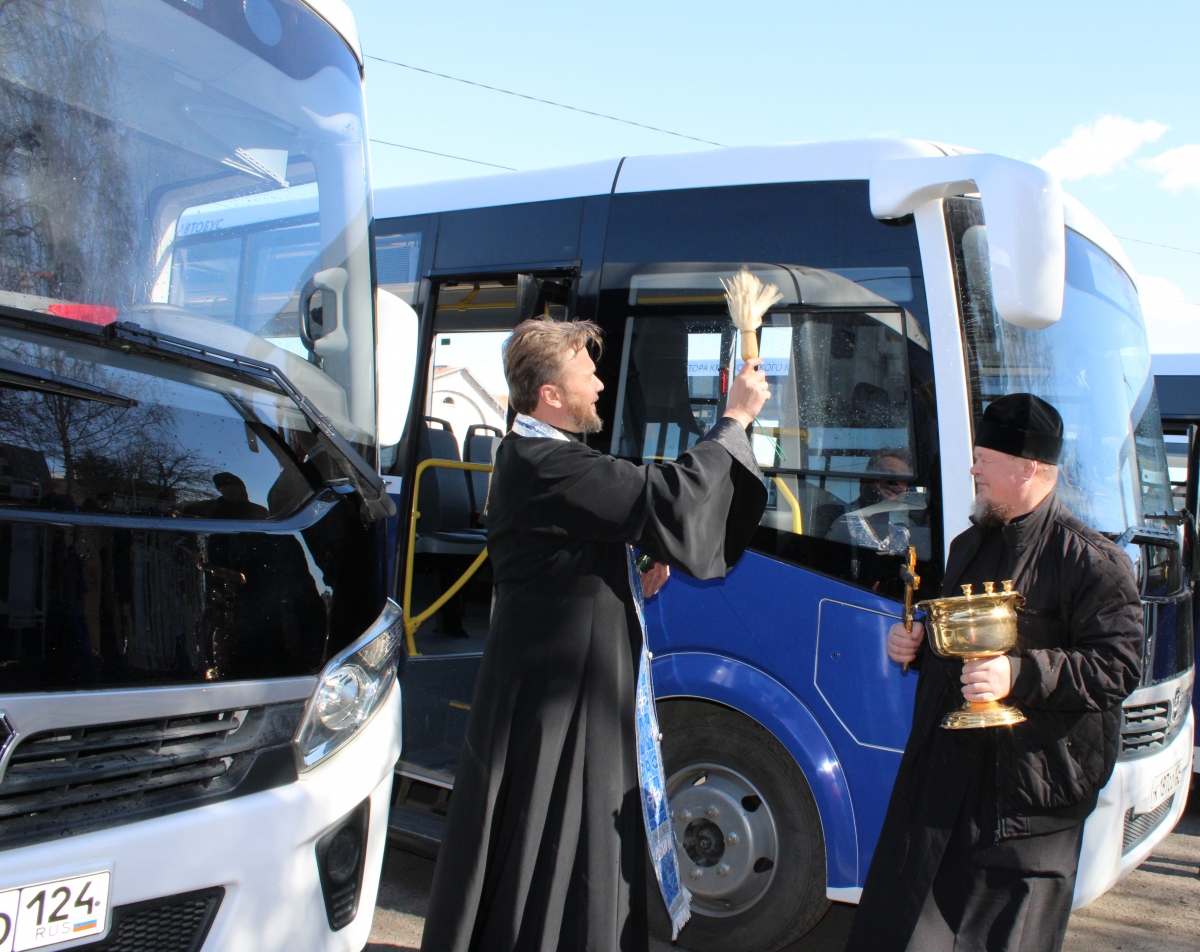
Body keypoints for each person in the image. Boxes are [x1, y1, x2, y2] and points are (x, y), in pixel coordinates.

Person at [421, 318, 769, 952]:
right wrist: (735, 421)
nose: (602, 385)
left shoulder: (535, 456)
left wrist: (631, 575)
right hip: (559, 698)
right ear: (551, 394)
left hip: (567, 687)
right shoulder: (546, 461)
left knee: (558, 845)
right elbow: (665, 494)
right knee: (554, 845)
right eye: (589, 375)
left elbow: (572, 552)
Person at [845, 393, 1143, 952]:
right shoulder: (968, 545)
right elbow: (957, 646)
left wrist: (1017, 675)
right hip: (947, 786)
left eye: (984, 457)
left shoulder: (1094, 562)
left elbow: (1118, 666)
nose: (973, 468)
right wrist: (918, 644)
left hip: (1031, 801)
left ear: (1029, 468)